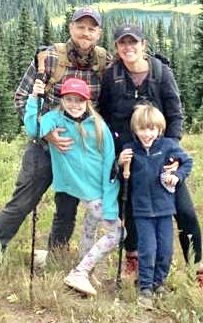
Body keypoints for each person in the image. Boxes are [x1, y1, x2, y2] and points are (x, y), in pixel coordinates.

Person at [0, 6, 110, 263]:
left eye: (91, 28)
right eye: (80, 26)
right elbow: (22, 97)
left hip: (76, 152)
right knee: (22, 202)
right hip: (43, 146)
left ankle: (56, 255)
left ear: (98, 33)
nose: (85, 33)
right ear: (71, 28)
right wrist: (47, 133)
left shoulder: (104, 63)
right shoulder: (50, 57)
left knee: (67, 207)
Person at [97, 23, 203, 293]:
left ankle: (197, 268)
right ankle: (133, 257)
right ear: (116, 48)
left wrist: (171, 153)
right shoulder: (111, 76)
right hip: (129, 157)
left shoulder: (161, 73)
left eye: (133, 42)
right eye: (122, 43)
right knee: (132, 210)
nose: (128, 48)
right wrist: (115, 153)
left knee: (185, 212)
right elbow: (103, 115)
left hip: (161, 155)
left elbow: (175, 115)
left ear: (143, 45)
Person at [26, 76, 120, 296]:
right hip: (82, 189)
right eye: (69, 99)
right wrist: (34, 98)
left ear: (87, 101)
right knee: (117, 233)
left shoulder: (98, 124)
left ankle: (86, 270)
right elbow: (33, 128)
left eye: (80, 100)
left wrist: (110, 199)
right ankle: (80, 272)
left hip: (100, 190)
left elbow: (110, 163)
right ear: (62, 100)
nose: (74, 104)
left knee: (90, 228)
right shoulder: (53, 119)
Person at [117, 104, 193, 307]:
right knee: (147, 249)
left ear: (160, 129)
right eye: (142, 129)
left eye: (152, 129)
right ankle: (145, 287)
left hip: (165, 209)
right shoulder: (129, 149)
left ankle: (159, 282)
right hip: (142, 211)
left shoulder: (168, 146)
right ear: (135, 130)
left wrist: (177, 176)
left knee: (166, 250)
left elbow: (187, 162)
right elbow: (119, 177)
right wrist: (120, 162)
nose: (147, 134)